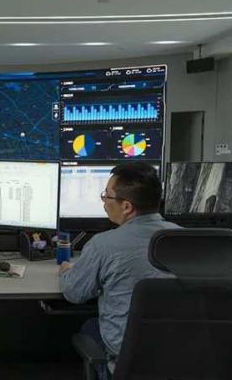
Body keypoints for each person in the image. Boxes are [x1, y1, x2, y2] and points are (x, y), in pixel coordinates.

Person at [58, 162, 179, 380]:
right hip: (185, 357)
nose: (104, 202)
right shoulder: (189, 240)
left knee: (89, 327)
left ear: (127, 207)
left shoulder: (104, 245)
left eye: (107, 196)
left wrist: (67, 270)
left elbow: (74, 293)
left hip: (128, 364)